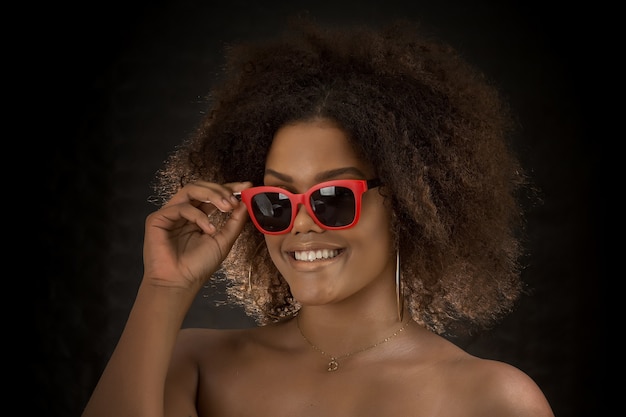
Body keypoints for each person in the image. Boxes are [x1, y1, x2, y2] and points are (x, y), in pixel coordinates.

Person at [81, 17, 555, 417]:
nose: (301, 223)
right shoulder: (192, 366)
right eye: (278, 201)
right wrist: (164, 289)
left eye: (332, 196)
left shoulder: (492, 400)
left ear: (410, 204)